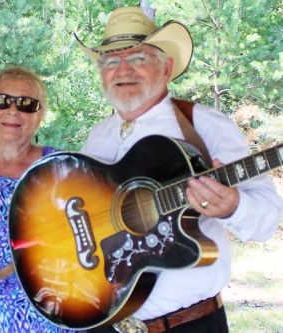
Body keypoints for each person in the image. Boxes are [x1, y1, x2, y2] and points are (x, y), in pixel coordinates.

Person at [74, 6, 283, 333]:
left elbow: (267, 221)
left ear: (166, 68)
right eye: (111, 61)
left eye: (138, 58)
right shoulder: (98, 135)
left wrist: (233, 206)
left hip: (188, 326)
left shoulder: (204, 125)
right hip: (103, 324)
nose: (123, 69)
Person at [0, 66, 84, 333]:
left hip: (45, 319)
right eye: (1, 101)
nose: (13, 111)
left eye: (27, 104)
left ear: (40, 116)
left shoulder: (62, 169)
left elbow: (90, 242)